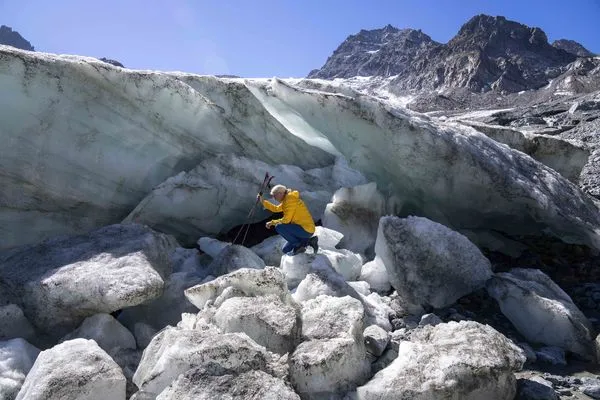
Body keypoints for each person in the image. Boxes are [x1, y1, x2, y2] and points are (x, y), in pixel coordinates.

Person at [258, 184, 319, 255]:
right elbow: (276, 209)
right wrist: (262, 201)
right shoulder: (287, 200)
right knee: (285, 250)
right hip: (301, 230)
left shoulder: (290, 200)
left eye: (275, 196)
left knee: (279, 226)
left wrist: (272, 222)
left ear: (280, 193)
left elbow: (286, 220)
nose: (274, 198)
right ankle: (310, 241)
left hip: (305, 229)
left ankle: (299, 245)